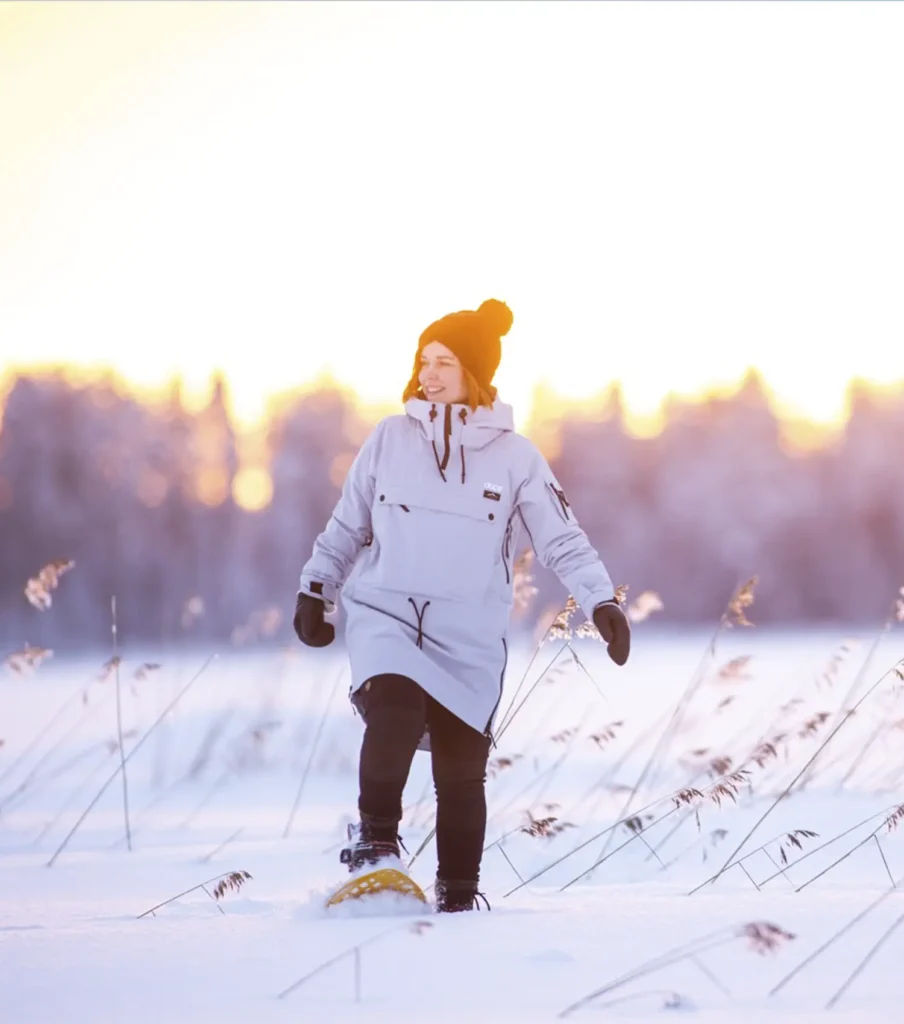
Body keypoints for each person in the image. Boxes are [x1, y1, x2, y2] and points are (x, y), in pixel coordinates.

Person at [293, 298, 630, 912]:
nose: (428, 373)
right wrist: (316, 589)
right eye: (424, 360)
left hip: (469, 634)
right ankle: (375, 849)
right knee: (393, 709)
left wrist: (599, 599)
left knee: (459, 770)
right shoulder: (389, 439)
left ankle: (457, 901)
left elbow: (560, 535)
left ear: (474, 370)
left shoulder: (516, 456)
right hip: (388, 615)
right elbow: (347, 525)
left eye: (443, 361)